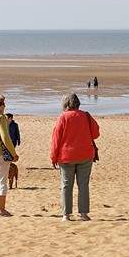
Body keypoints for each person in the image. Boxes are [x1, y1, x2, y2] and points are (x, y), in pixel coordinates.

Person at [50, 92, 100, 221]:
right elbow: (96, 134)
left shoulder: (63, 117)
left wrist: (53, 157)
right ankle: (83, 213)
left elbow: (56, 139)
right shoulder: (86, 116)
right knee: (83, 185)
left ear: (65, 104)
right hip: (85, 154)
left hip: (66, 156)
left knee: (66, 185)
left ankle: (66, 214)